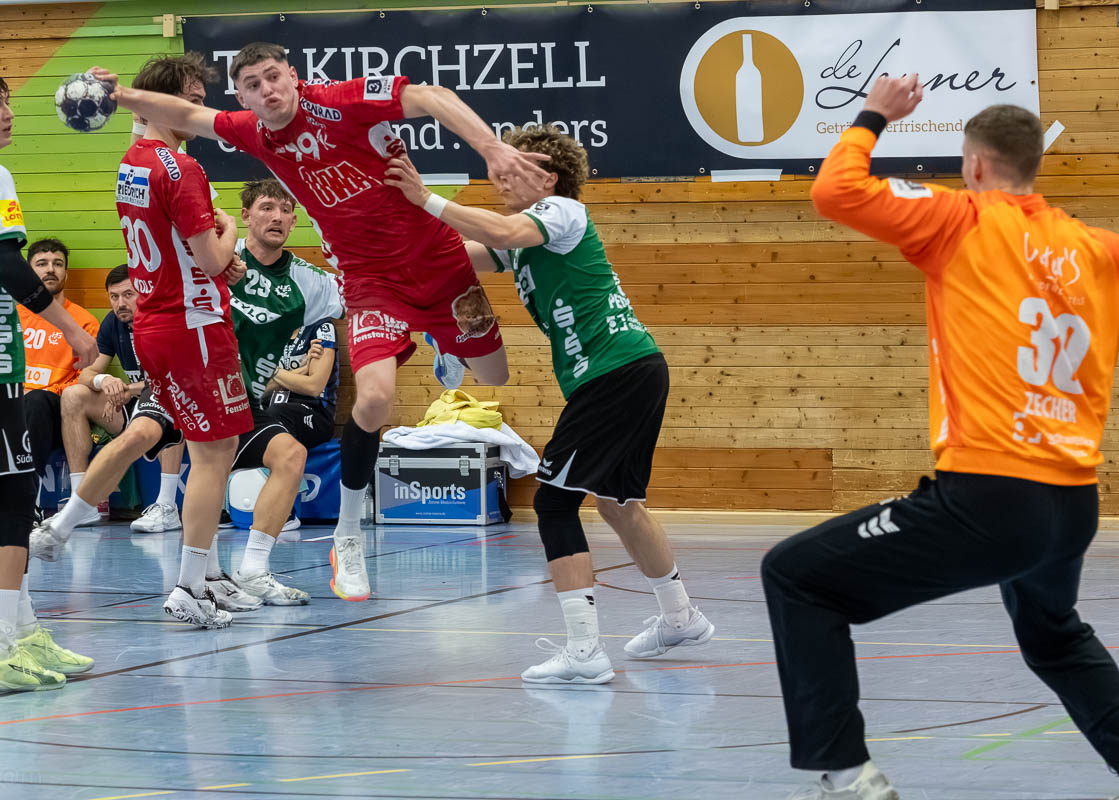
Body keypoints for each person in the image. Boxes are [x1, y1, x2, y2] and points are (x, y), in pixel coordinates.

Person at [761, 74, 1119, 799]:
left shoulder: (961, 218)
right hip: (1073, 502)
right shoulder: (1094, 249)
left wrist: (874, 114)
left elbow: (836, 190)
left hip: (992, 496)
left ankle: (848, 776)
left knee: (796, 577)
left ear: (975, 165)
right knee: (1054, 636)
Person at [90, 43, 550, 602]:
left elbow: (433, 95)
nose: (267, 91)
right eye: (253, 85)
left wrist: (493, 148)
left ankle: (443, 336)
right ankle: (347, 535)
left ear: (293, 76)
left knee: (495, 374)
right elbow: (185, 113)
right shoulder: (252, 131)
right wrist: (120, 95)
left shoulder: (340, 101)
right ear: (242, 98)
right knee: (373, 400)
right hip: (369, 280)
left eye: (273, 77)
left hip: (439, 261)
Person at [385, 126, 714, 684]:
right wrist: (387, 239)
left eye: (510, 169)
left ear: (548, 177)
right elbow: (455, 255)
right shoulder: (524, 241)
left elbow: (499, 229)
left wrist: (426, 197)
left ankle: (584, 651)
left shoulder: (559, 212)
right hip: (629, 372)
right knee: (618, 503)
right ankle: (681, 617)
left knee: (554, 503)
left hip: (615, 372)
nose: (498, 178)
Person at [35, 54, 253, 630]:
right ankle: (189, 587)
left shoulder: (133, 161)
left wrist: (123, 97)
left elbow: (187, 250)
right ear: (164, 104)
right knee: (214, 455)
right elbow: (213, 257)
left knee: (191, 445)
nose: (200, 111)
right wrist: (230, 231)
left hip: (158, 323)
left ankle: (206, 576)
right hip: (194, 327)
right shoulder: (183, 169)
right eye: (191, 101)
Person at [0, 73, 99, 690]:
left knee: (17, 494)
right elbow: (6, 263)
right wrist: (72, 330)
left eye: (8, 100)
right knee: (10, 497)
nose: (8, 112)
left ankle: (22, 630)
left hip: (4, 358)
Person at [206, 178, 342, 606]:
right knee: (145, 439)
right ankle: (64, 522)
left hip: (247, 399)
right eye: (267, 208)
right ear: (246, 215)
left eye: (286, 210)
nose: (278, 217)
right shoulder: (217, 257)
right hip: (199, 385)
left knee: (290, 455)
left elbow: (362, 297)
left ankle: (252, 570)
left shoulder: (310, 281)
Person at [57, 264, 186, 533]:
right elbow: (86, 374)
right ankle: (82, 504)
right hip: (130, 409)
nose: (120, 303)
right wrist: (105, 381)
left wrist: (128, 388)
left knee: (167, 397)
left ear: (145, 293)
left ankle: (167, 506)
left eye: (128, 295)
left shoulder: (166, 320)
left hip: (174, 407)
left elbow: (177, 377)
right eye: (114, 297)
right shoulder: (113, 323)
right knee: (72, 395)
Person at [19, 237, 100, 509]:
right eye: (41, 263)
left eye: (57, 264)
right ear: (28, 272)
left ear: (66, 272)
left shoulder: (84, 322)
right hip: (12, 406)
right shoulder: (11, 318)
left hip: (54, 412)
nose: (50, 269)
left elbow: (84, 381)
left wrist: (37, 392)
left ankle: (28, 504)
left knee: (36, 402)